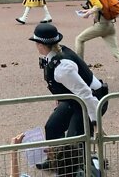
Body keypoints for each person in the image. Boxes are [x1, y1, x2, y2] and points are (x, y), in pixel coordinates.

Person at [29, 23, 104, 171]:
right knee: (52, 127)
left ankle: (80, 167)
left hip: (90, 101)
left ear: (41, 45)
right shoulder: (56, 55)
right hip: (74, 99)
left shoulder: (63, 68)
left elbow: (85, 93)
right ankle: (55, 161)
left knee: (74, 139)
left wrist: (94, 121)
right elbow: (65, 87)